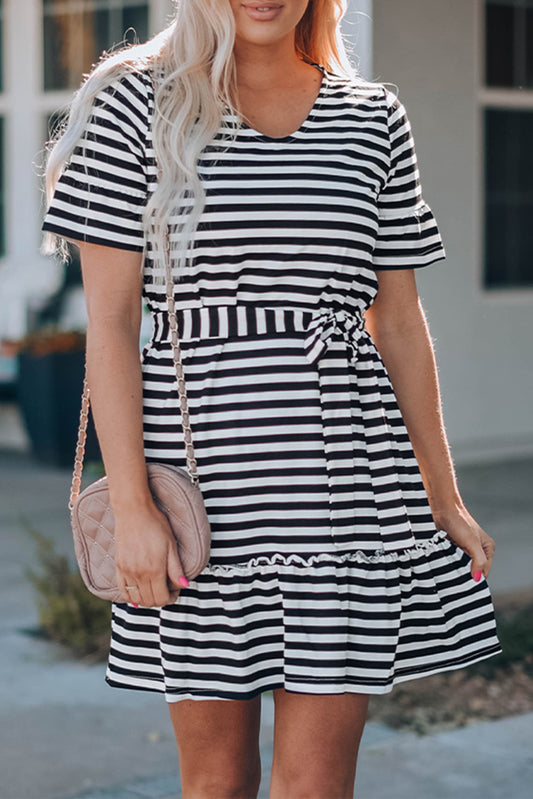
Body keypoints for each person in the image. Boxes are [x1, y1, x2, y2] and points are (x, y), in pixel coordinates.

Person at [42, 1, 503, 796]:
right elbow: (112, 325)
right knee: (216, 779)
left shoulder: (372, 118)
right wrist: (132, 509)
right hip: (197, 494)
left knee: (317, 783)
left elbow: (395, 318)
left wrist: (443, 495)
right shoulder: (133, 103)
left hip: (343, 493)